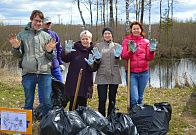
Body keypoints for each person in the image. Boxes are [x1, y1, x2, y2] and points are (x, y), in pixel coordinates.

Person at [9, 10, 56, 116]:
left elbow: (51, 57)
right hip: (28, 73)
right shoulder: (22, 35)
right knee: (28, 101)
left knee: (47, 102)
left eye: (40, 21)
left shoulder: (46, 36)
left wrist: (50, 51)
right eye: (36, 20)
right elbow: (17, 56)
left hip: (45, 72)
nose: (38, 23)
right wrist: (16, 48)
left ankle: (46, 126)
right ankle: (27, 125)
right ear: (31, 19)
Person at [121, 21, 157, 109]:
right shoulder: (127, 41)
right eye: (134, 29)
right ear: (131, 30)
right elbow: (123, 56)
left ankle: (139, 116)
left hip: (144, 73)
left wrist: (152, 51)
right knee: (134, 98)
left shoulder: (146, 42)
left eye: (138, 28)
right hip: (131, 73)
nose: (136, 30)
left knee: (140, 98)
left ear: (141, 30)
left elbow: (149, 58)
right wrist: (131, 51)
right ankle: (133, 115)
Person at [61, 30, 99, 111]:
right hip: (73, 79)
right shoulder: (74, 49)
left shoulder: (93, 51)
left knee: (82, 103)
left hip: (86, 80)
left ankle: (81, 120)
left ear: (90, 40)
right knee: (73, 101)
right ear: (80, 39)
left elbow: (94, 68)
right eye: (83, 39)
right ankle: (72, 118)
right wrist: (66, 52)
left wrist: (92, 64)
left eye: (87, 39)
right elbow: (65, 59)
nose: (85, 41)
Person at [94, 27, 122, 117]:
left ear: (112, 35)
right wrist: (97, 59)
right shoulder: (98, 46)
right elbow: (95, 61)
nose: (107, 35)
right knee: (102, 99)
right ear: (103, 35)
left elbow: (118, 61)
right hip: (102, 75)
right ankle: (101, 118)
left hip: (114, 74)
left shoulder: (117, 46)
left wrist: (117, 57)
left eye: (109, 33)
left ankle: (111, 117)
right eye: (105, 33)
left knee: (112, 98)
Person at [37, 17, 65, 105]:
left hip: (55, 66)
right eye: (46, 23)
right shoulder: (38, 35)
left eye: (49, 23)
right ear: (42, 24)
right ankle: (43, 106)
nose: (48, 25)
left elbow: (59, 49)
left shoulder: (54, 34)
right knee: (44, 88)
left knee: (60, 85)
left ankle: (59, 105)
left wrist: (61, 63)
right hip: (43, 67)